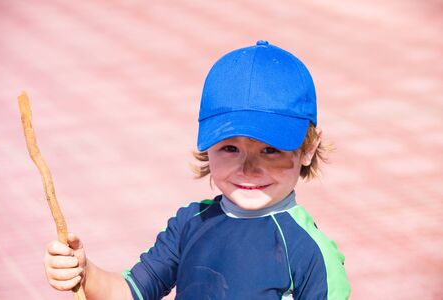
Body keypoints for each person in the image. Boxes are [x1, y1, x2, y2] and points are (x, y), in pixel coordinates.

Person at [44, 40, 351, 299]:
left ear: (308, 148)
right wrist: (83, 272)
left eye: (270, 149)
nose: (248, 168)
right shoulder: (191, 223)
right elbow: (130, 292)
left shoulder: (312, 256)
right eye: (230, 148)